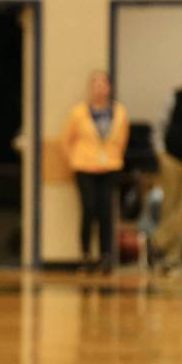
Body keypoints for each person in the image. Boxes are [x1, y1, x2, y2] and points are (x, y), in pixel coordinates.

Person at [60, 70, 129, 274]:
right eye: (96, 84)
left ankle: (106, 255)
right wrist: (73, 161)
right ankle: (86, 255)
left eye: (103, 84)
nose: (100, 88)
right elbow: (65, 140)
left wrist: (114, 157)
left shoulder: (119, 112)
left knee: (106, 212)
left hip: (109, 167)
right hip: (85, 167)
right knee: (89, 209)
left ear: (109, 87)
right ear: (91, 88)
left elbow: (122, 140)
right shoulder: (79, 112)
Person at [151, 55, 182, 276]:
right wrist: (160, 152)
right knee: (171, 207)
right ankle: (172, 257)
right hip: (174, 161)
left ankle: (157, 240)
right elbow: (160, 124)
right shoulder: (176, 96)